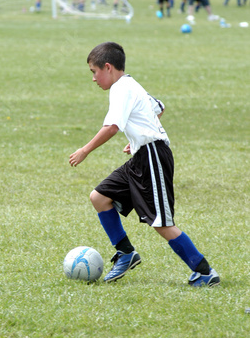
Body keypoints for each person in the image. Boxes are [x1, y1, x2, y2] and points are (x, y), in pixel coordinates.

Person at [69, 42, 220, 287]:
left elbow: (112, 127)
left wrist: (85, 150)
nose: (94, 79)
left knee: (161, 222)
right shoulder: (129, 84)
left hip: (153, 157)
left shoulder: (121, 89)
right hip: (143, 154)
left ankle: (205, 272)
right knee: (99, 197)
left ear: (107, 67)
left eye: (94, 72)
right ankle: (126, 253)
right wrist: (139, 135)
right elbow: (158, 107)